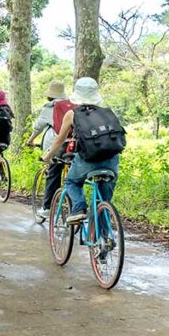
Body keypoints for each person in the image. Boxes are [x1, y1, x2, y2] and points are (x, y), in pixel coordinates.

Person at [41, 76, 123, 225]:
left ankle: (78, 209)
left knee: (71, 182)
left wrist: (47, 156)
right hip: (112, 160)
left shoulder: (72, 114)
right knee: (103, 203)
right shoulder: (108, 112)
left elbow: (59, 140)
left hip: (88, 159)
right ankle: (103, 241)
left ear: (76, 94)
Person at [26, 81, 71, 220]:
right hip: (73, 144)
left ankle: (47, 208)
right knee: (72, 176)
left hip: (55, 144)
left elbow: (38, 127)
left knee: (53, 172)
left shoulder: (49, 107)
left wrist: (30, 140)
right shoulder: (73, 106)